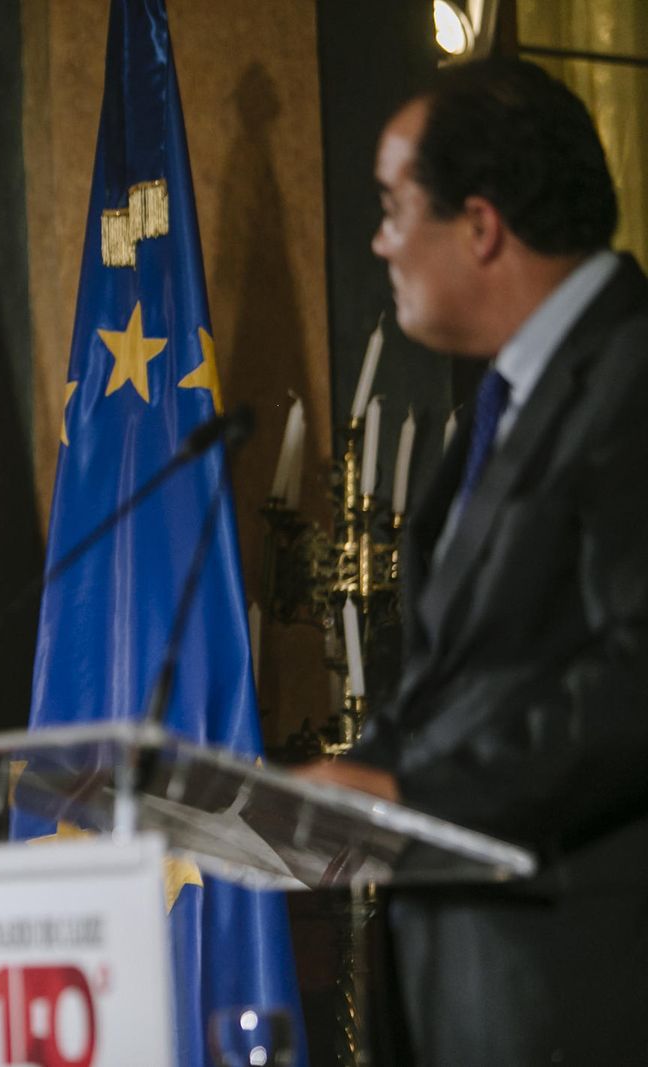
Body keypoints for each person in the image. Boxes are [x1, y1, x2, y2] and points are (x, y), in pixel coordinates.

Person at [299, 59, 648, 1064]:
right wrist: (342, 783)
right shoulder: (506, 402)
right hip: (463, 974)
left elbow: (636, 679)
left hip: (580, 983)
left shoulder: (631, 379)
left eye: (392, 206)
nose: (378, 240)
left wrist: (415, 801)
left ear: (480, 223)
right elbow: (463, 671)